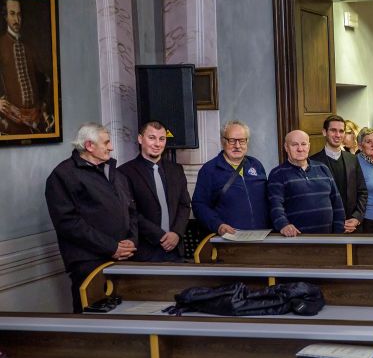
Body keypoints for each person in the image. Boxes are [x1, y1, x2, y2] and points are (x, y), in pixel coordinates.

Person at [45, 122, 138, 312]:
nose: (111, 147)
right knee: (92, 319)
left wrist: (131, 240)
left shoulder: (114, 171)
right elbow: (68, 224)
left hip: (123, 258)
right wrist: (111, 247)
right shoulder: (63, 175)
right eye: (106, 142)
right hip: (89, 263)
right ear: (89, 145)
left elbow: (131, 210)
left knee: (127, 318)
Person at [118, 120, 191, 262]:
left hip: (175, 249)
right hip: (145, 251)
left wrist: (176, 233)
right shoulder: (124, 172)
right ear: (140, 139)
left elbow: (184, 205)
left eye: (162, 139)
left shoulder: (176, 170)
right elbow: (130, 212)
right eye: (152, 138)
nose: (157, 144)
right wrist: (159, 236)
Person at [192, 120, 270, 236]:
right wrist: (218, 225)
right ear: (223, 141)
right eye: (232, 141)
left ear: (247, 142)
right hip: (229, 238)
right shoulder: (210, 170)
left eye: (242, 141)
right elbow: (199, 205)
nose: (237, 146)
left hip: (262, 237)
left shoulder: (256, 165)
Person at [268, 130, 345, 236]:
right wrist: (283, 225)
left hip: (328, 238)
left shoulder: (322, 168)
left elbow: (337, 203)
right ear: (286, 147)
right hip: (297, 239)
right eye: (294, 145)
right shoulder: (277, 174)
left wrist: (338, 233)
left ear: (309, 146)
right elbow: (275, 205)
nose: (300, 149)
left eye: (303, 144)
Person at [0, 0, 54, 136]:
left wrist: (42, 105)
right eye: (12, 14)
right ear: (5, 16)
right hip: (11, 121)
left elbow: (45, 79)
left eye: (19, 14)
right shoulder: (1, 44)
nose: (16, 19)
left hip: (35, 118)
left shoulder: (30, 47)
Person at [310, 115, 367, 234]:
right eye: (333, 130)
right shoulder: (312, 162)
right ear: (324, 132)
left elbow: (362, 191)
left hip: (352, 227)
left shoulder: (353, 159)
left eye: (341, 131)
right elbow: (312, 198)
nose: (338, 135)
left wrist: (356, 218)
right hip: (325, 229)